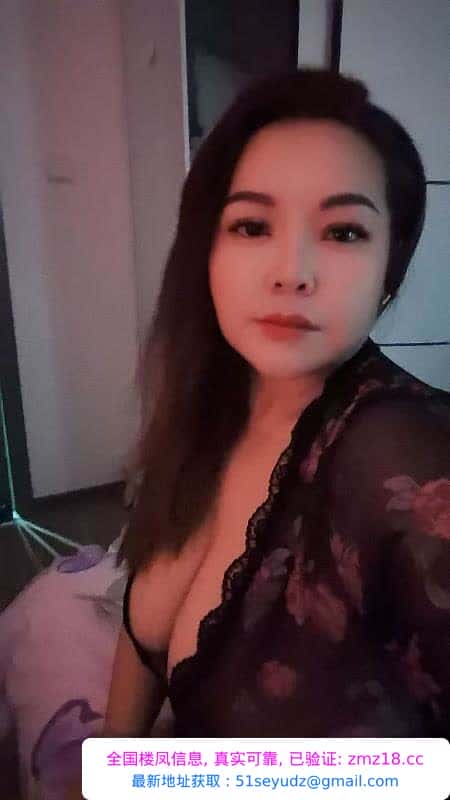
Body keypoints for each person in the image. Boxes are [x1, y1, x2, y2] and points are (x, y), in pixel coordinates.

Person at [105, 67, 450, 740]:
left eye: (343, 232)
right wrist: (109, 770)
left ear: (390, 269)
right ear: (205, 252)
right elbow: (141, 644)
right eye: (252, 225)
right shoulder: (207, 402)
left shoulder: (405, 458)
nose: (292, 271)